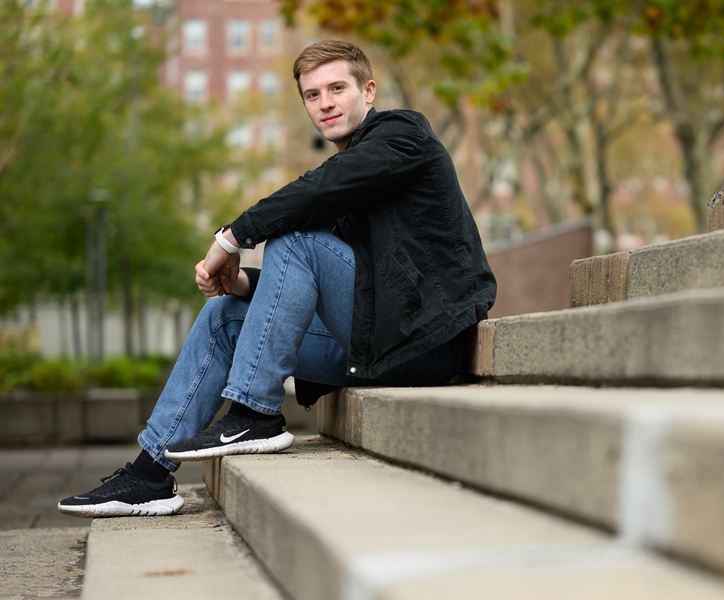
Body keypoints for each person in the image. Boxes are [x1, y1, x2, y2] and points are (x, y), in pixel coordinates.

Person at [58, 40, 496, 518]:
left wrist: (232, 237)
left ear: (368, 91)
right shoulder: (350, 176)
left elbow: (318, 197)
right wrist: (242, 284)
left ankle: (256, 414)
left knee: (294, 236)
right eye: (312, 95)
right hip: (375, 340)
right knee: (224, 315)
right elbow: (316, 275)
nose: (325, 103)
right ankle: (148, 476)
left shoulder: (403, 134)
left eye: (336, 88)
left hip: (425, 342)